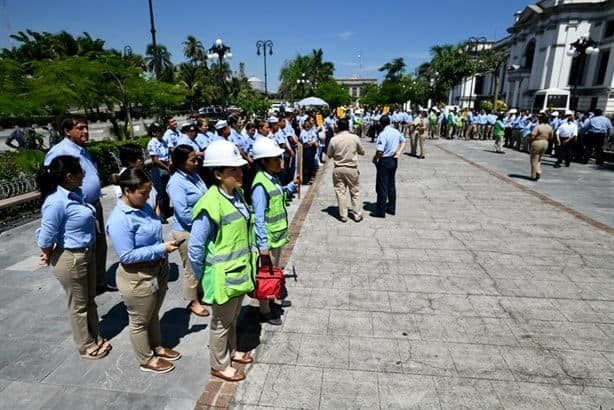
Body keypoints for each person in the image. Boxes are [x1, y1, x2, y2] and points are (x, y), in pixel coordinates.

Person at [188, 139, 256, 383]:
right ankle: (219, 364)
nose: (240, 173)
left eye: (239, 168)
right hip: (222, 275)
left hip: (239, 270)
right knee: (220, 322)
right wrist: (198, 277)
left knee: (231, 319)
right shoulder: (209, 203)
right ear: (217, 174)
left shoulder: (237, 194)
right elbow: (195, 247)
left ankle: (232, 351)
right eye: (232, 170)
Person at [36, 155, 111, 360]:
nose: (84, 176)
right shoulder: (56, 202)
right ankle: (85, 345)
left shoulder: (75, 194)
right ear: (69, 176)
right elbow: (45, 236)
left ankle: (95, 335)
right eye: (81, 172)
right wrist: (46, 253)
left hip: (87, 252)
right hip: (71, 257)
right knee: (78, 305)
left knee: (89, 300)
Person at [106, 168, 181, 374]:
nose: (148, 197)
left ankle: (156, 346)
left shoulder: (143, 207)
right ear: (127, 190)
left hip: (157, 268)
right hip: (137, 276)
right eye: (143, 193)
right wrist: (160, 248)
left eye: (149, 192)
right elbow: (127, 256)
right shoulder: (120, 219)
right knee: (139, 320)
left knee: (153, 313)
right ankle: (146, 359)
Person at [44, 115, 110, 294]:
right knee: (85, 246)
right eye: (80, 128)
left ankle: (99, 282)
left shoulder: (83, 150)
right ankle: (86, 285)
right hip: (76, 208)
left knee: (99, 244)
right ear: (67, 131)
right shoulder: (60, 151)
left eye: (86, 127)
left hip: (93, 205)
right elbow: (52, 181)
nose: (85, 131)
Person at [251, 137, 299, 325]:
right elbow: (259, 218)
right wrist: (262, 244)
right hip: (268, 239)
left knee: (274, 271)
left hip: (277, 236)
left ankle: (273, 299)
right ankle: (264, 310)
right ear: (264, 161)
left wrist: (290, 187)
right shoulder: (260, 184)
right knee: (265, 274)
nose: (280, 162)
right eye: (276, 159)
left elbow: (279, 194)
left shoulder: (272, 178)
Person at [166, 145, 210, 317]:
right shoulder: (176, 182)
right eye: (192, 160)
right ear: (181, 163)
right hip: (187, 230)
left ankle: (202, 292)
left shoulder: (196, 176)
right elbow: (183, 213)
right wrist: (202, 224)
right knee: (191, 266)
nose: (196, 162)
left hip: (201, 227)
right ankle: (193, 301)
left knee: (202, 262)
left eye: (196, 158)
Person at [326, 118, 365, 222]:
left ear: (338, 126)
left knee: (340, 192)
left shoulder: (334, 139)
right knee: (355, 192)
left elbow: (329, 155)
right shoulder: (355, 138)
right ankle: (357, 214)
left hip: (338, 168)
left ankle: (343, 215)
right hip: (352, 168)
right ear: (348, 126)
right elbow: (362, 152)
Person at [372, 115, 406, 218]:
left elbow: (380, 151)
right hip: (393, 160)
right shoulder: (396, 131)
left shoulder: (383, 134)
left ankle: (380, 211)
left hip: (385, 160)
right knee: (391, 185)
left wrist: (375, 158)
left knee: (382, 186)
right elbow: (403, 141)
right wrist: (399, 152)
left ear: (381, 124)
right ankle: (391, 208)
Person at [113, 144, 157, 210]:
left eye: (141, 157)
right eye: (137, 158)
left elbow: (154, 195)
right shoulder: (123, 178)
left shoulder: (143, 173)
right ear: (128, 160)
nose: (141, 160)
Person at [147, 122, 172, 223]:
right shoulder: (152, 143)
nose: (161, 132)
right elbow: (155, 159)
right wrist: (166, 167)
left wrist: (170, 162)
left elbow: (168, 153)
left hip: (166, 166)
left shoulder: (164, 141)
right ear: (154, 133)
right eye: (159, 131)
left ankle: (167, 211)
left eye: (162, 130)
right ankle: (161, 215)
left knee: (167, 192)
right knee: (160, 193)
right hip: (158, 168)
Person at [529, 115, 554, 181]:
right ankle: (538, 170)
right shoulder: (550, 127)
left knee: (534, 159)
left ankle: (534, 175)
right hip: (545, 142)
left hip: (537, 142)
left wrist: (530, 141)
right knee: (539, 159)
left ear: (541, 120)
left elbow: (533, 136)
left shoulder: (538, 127)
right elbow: (551, 137)